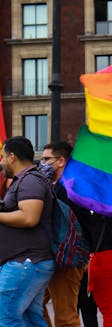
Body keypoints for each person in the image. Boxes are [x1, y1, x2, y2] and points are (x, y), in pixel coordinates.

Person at [39, 141, 97, 327]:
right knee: (32, 305)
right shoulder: (52, 186)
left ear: (61, 161)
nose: (43, 163)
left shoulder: (73, 187)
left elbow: (87, 221)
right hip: (52, 255)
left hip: (69, 257)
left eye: (47, 159)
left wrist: (88, 253)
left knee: (65, 315)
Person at [0, 136, 56, 326]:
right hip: (29, 261)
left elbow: (29, 217)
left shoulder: (29, 181)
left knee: (6, 317)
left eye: (2, 157)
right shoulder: (24, 180)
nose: (1, 162)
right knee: (31, 318)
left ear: (12, 157)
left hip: (26, 262)